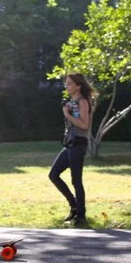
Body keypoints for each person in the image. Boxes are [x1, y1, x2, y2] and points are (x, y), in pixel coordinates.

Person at [48, 73, 95, 227]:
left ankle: (81, 216)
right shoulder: (71, 102)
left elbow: (84, 125)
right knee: (53, 174)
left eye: (69, 83)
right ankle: (74, 206)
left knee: (76, 180)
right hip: (69, 144)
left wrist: (67, 115)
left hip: (79, 144)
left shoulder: (83, 102)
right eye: (66, 83)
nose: (66, 86)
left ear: (78, 86)